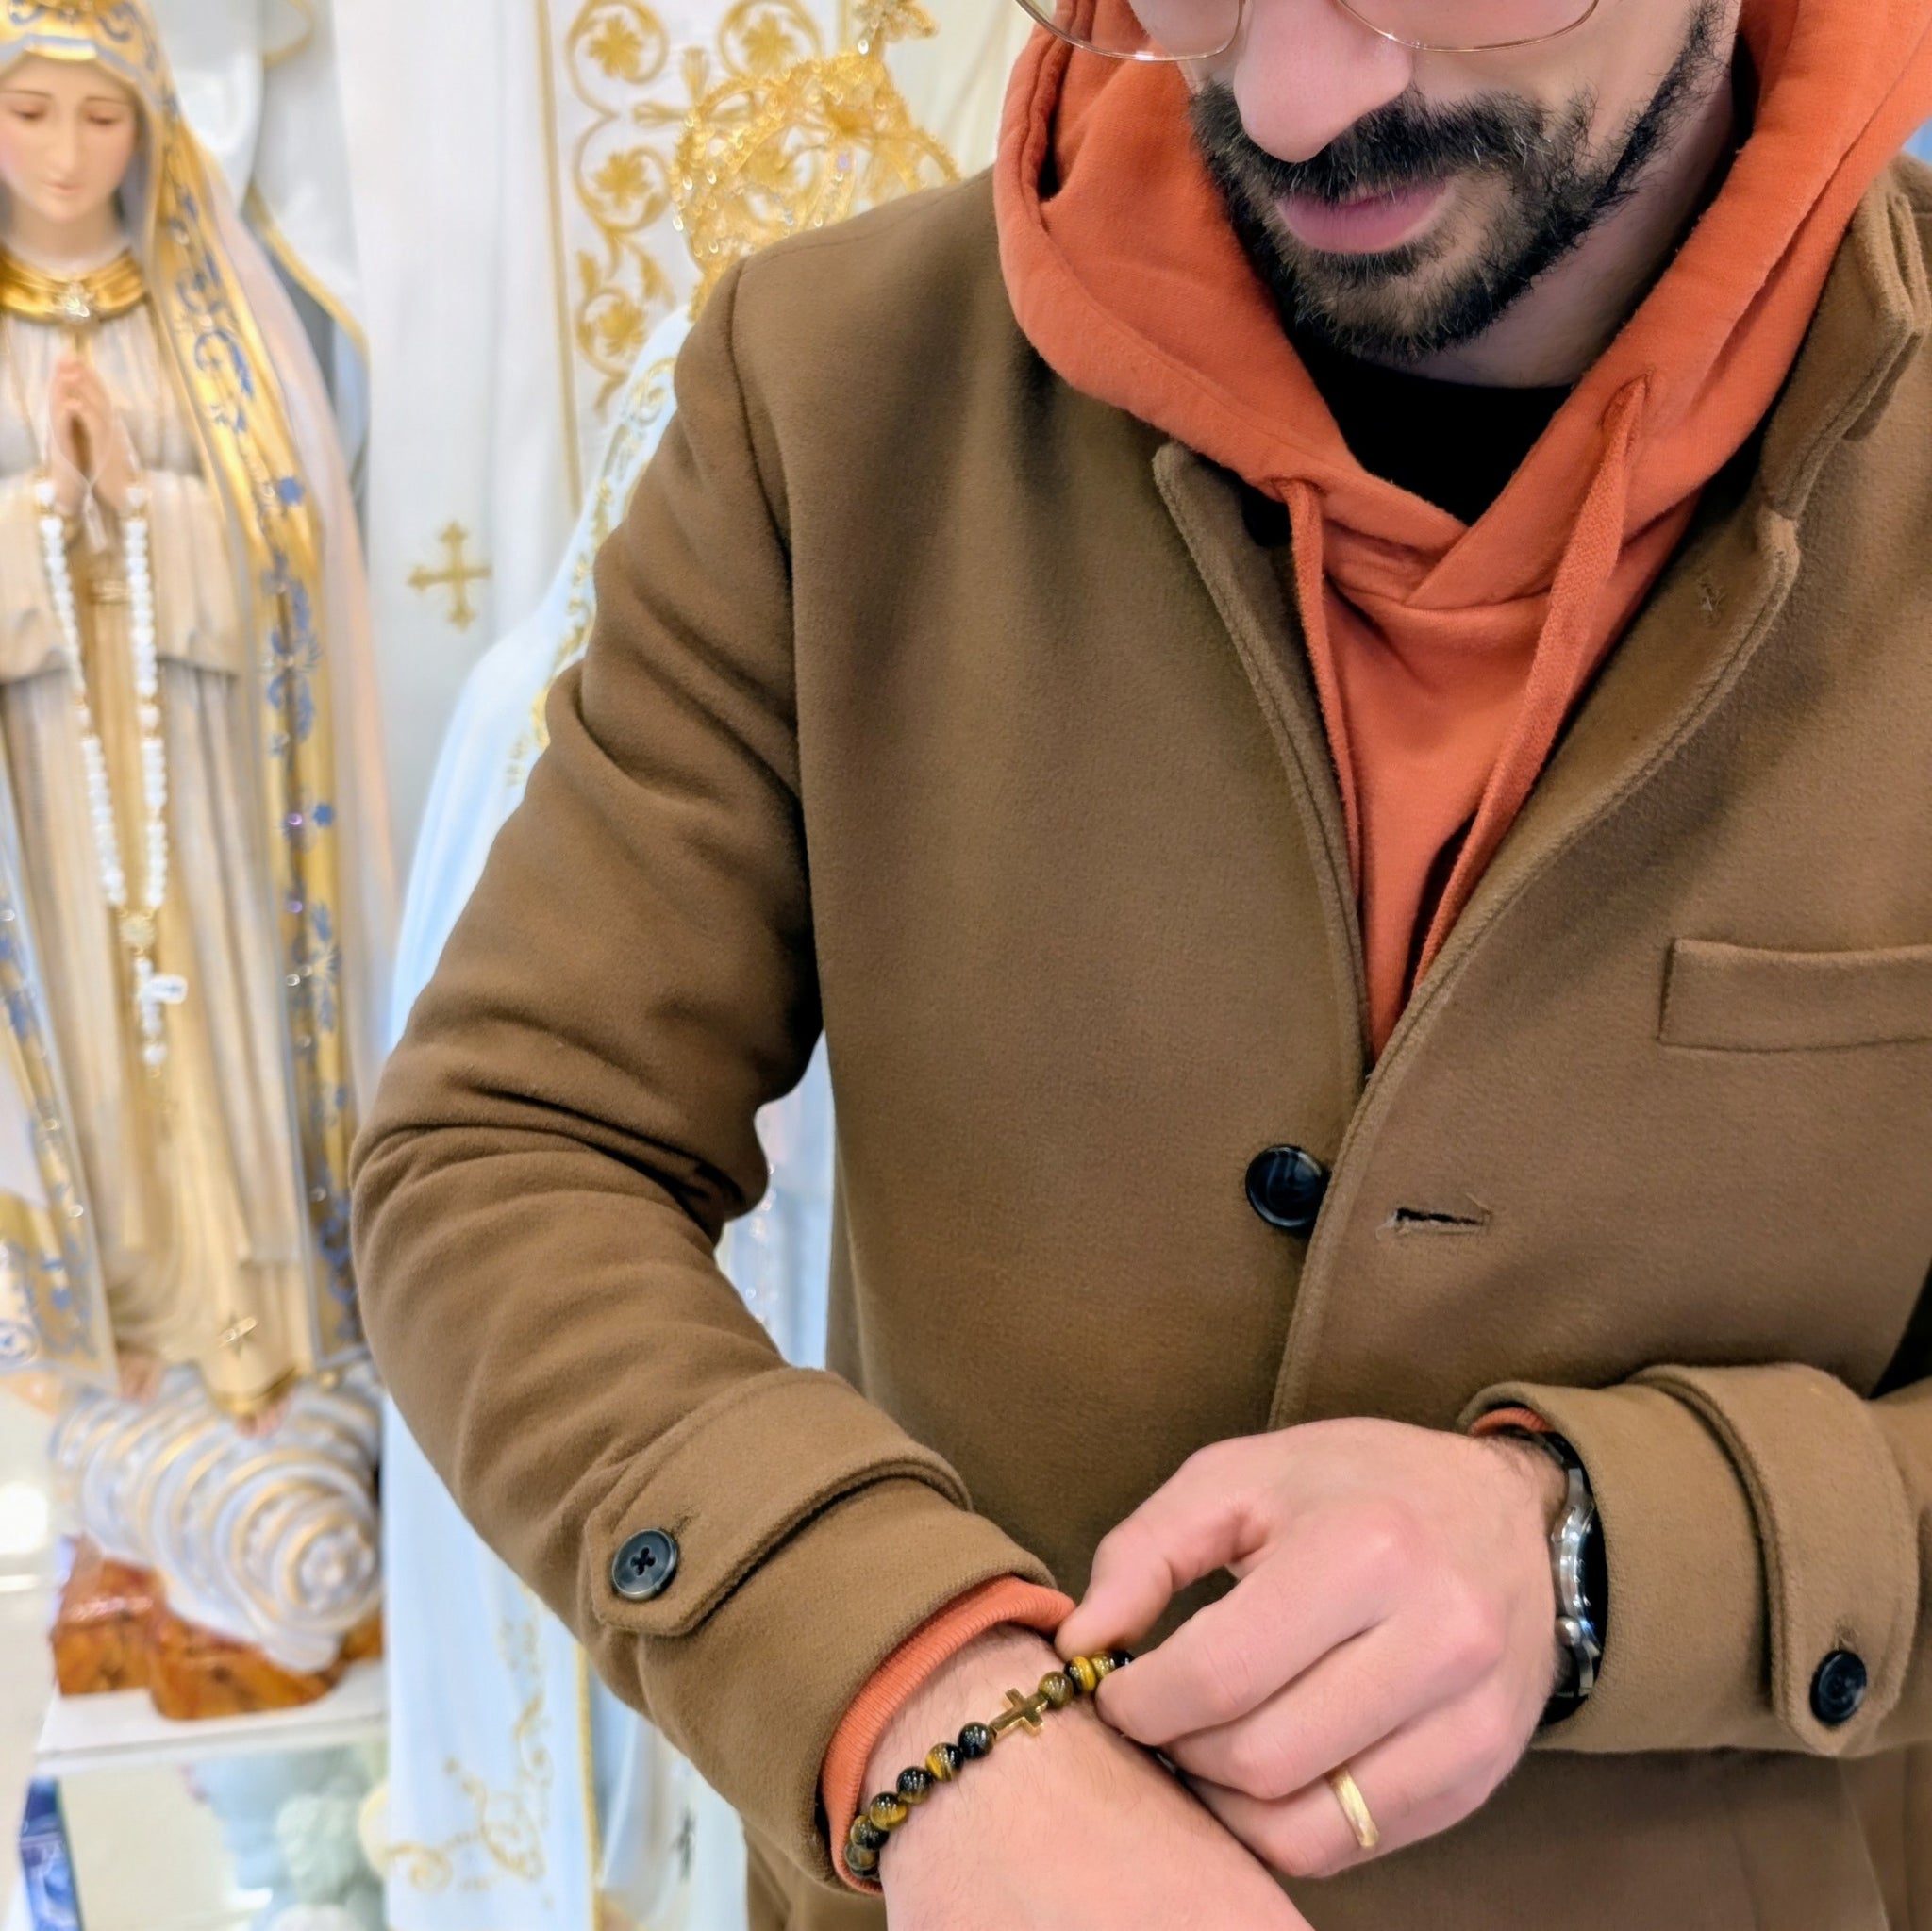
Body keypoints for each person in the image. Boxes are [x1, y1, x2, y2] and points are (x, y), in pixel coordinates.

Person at [352, 0, 1932, 1926]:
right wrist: (907, 1691)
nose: (1295, 100)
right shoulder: (830, 388)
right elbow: (504, 1150)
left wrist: (1604, 1559)